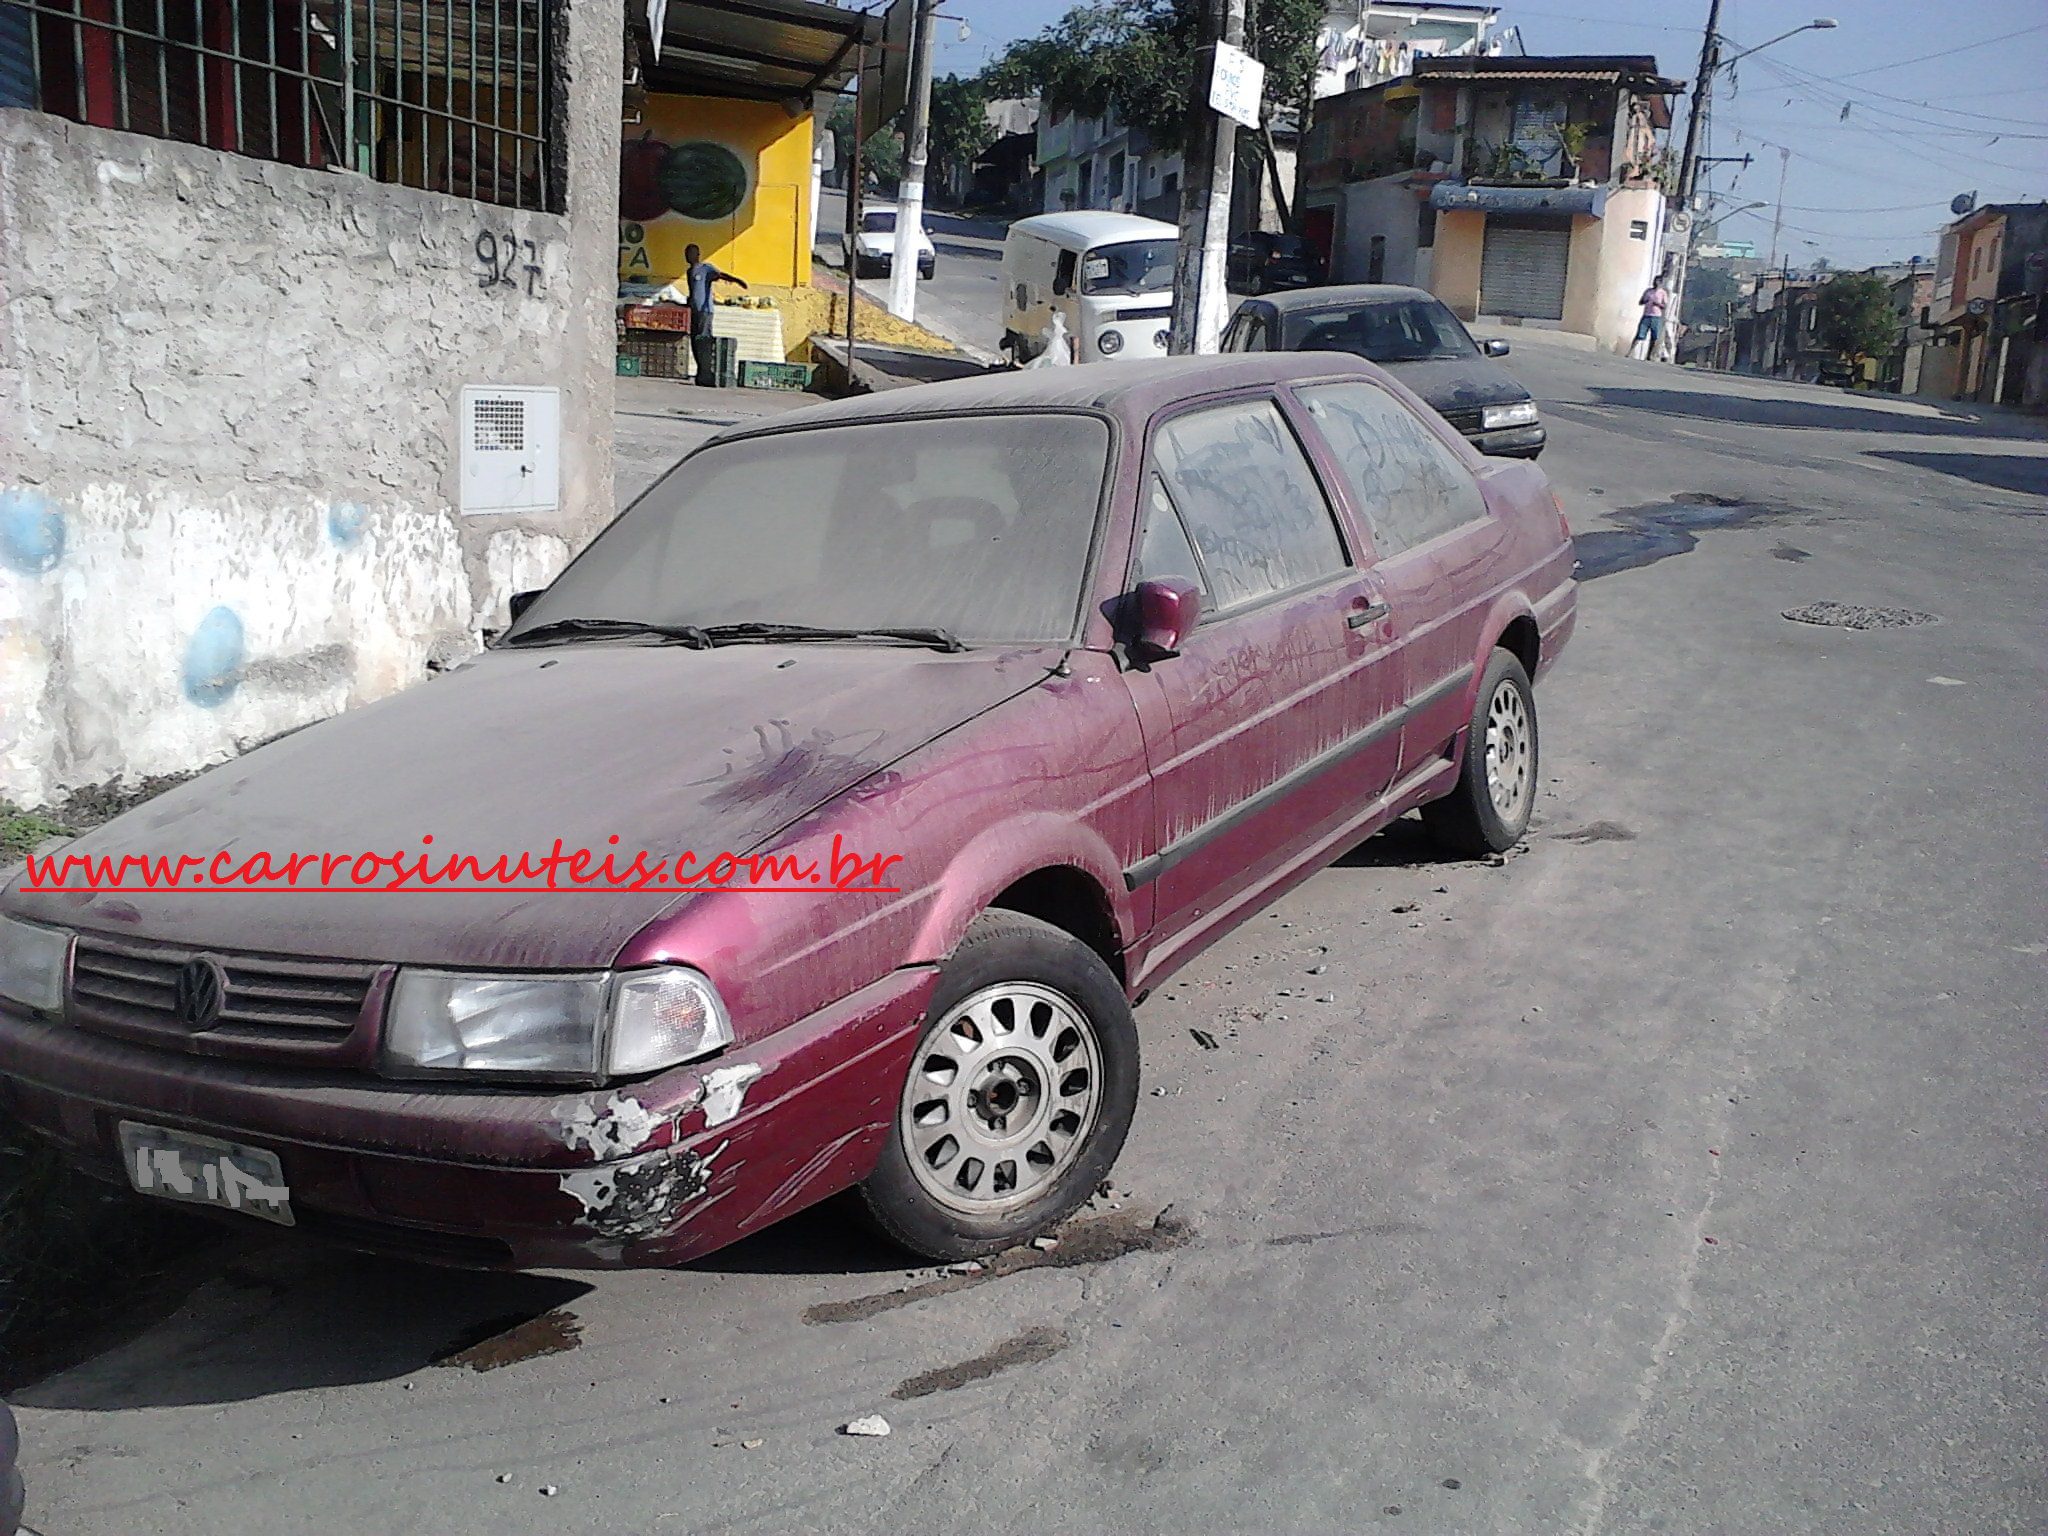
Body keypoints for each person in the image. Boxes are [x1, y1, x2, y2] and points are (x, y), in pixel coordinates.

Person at [684, 244, 748, 386]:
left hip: (705, 311)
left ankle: (707, 374)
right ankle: (701, 372)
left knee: (704, 341)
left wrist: (737, 281)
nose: (688, 256)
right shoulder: (689, 272)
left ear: (698, 255)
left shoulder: (706, 269)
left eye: (691, 253)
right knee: (695, 342)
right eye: (687, 254)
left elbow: (720, 275)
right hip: (694, 311)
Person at [1634, 273, 1672, 360]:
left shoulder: (1663, 293)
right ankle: (1630, 352)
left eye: (1658, 282)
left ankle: (1649, 355)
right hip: (1646, 315)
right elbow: (1641, 302)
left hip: (1656, 317)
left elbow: (1665, 306)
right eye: (1655, 281)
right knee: (1640, 334)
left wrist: (1658, 304)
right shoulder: (1648, 291)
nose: (1655, 283)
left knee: (1654, 337)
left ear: (1661, 283)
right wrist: (1645, 300)